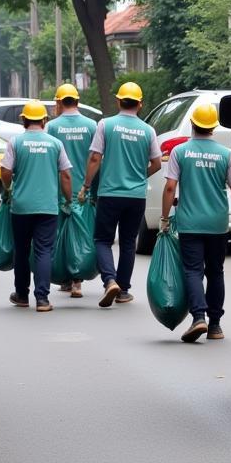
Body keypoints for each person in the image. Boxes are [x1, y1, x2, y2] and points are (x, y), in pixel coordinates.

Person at [159, 103, 231, 343]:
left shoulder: (180, 152)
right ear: (213, 127)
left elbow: (169, 187)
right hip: (218, 224)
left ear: (193, 124)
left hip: (189, 223)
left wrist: (165, 218)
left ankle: (199, 317)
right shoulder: (226, 154)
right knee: (216, 272)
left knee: (193, 271)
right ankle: (216, 325)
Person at [81, 82, 162, 307]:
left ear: (118, 101)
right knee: (128, 242)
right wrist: (140, 175)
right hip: (136, 196)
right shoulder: (148, 130)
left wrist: (87, 185)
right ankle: (123, 290)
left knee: (102, 240)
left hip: (109, 193)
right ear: (140, 104)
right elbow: (156, 163)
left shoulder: (106, 125)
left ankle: (109, 280)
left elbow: (95, 158)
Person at [0, 101, 72, 312]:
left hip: (21, 207)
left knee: (21, 251)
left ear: (23, 120)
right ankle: (42, 299)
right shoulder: (55, 144)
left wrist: (8, 188)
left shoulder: (16, 142)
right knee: (43, 252)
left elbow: (5, 170)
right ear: (44, 120)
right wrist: (68, 199)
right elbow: (66, 175)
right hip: (48, 207)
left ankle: (22, 295)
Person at [47, 83, 97, 298]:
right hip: (83, 191)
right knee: (80, 235)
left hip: (60, 190)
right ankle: (77, 280)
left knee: (61, 234)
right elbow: (97, 158)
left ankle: (67, 279)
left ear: (59, 102)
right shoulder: (92, 125)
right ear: (77, 101)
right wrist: (90, 187)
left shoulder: (52, 127)